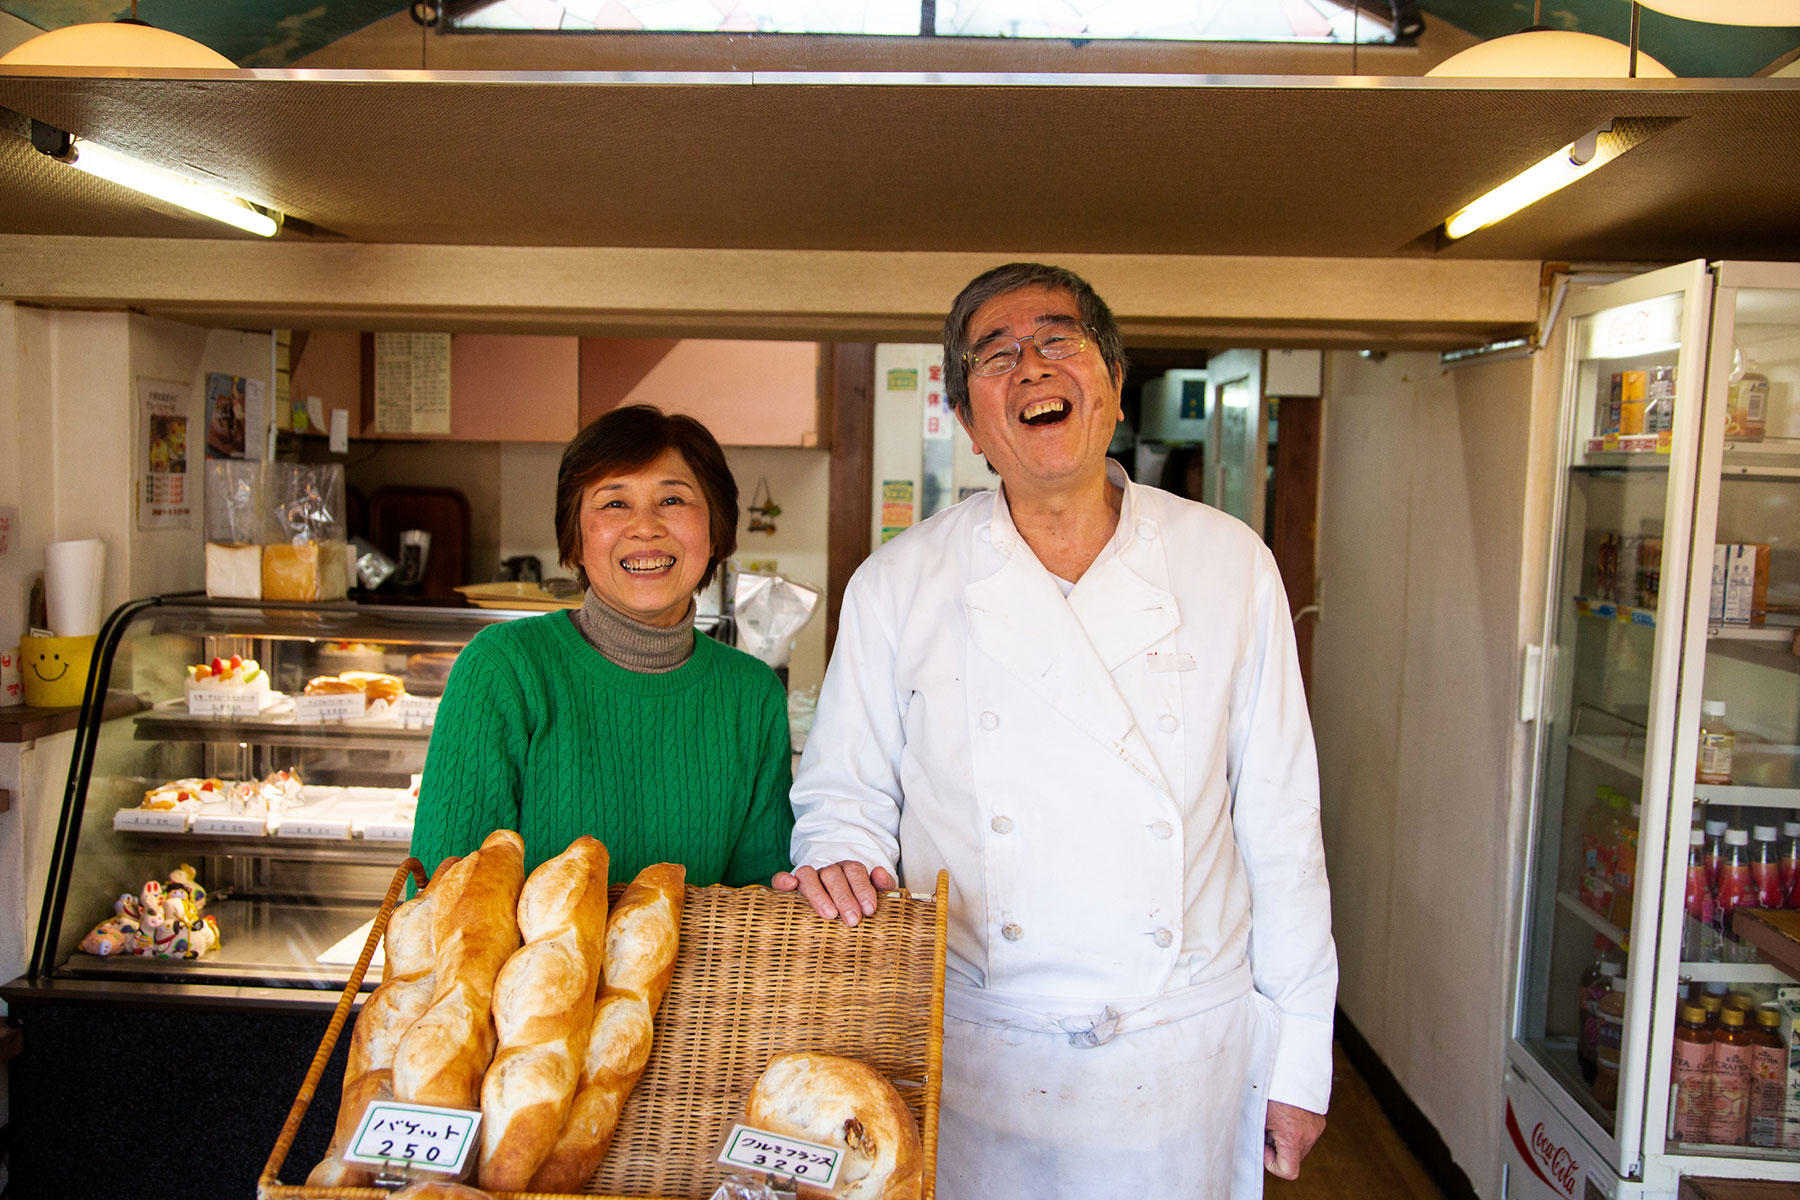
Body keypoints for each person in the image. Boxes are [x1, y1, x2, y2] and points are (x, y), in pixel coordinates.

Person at [777, 263, 1336, 1198]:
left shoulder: (1229, 564)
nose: (1030, 366)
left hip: (1177, 1056)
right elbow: (845, 795)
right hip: (974, 1045)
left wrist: (1300, 1062)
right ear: (967, 419)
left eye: (1057, 341)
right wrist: (839, 852)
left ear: (1112, 385)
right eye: (995, 356)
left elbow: (1282, 827)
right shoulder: (899, 583)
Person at [410, 403, 794, 885]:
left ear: (716, 531)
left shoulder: (752, 694)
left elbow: (760, 910)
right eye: (614, 503)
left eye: (673, 501)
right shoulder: (504, 668)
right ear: (575, 537)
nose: (645, 526)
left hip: (706, 966)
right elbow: (441, 906)